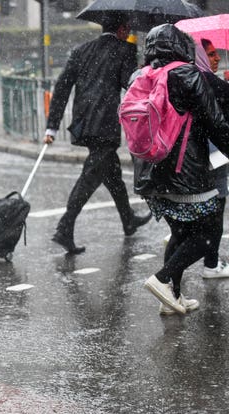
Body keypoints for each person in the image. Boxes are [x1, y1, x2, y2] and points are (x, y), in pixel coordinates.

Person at [134, 24, 229, 315]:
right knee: (208, 235)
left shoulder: (142, 74)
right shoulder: (186, 73)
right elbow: (214, 121)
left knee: (180, 233)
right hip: (188, 172)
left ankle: (171, 297)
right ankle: (164, 281)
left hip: (151, 170)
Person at [43, 13, 151, 254]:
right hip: (104, 124)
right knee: (90, 177)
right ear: (122, 29)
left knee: (112, 173)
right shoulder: (125, 49)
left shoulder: (82, 50)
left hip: (84, 122)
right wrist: (143, 73)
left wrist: (52, 126)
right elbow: (129, 83)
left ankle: (128, 219)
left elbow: (61, 87)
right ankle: (65, 227)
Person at [195, 39, 229, 279]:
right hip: (213, 154)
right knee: (217, 206)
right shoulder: (206, 80)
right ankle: (211, 263)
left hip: (198, 156)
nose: (217, 58)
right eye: (211, 54)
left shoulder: (191, 77)